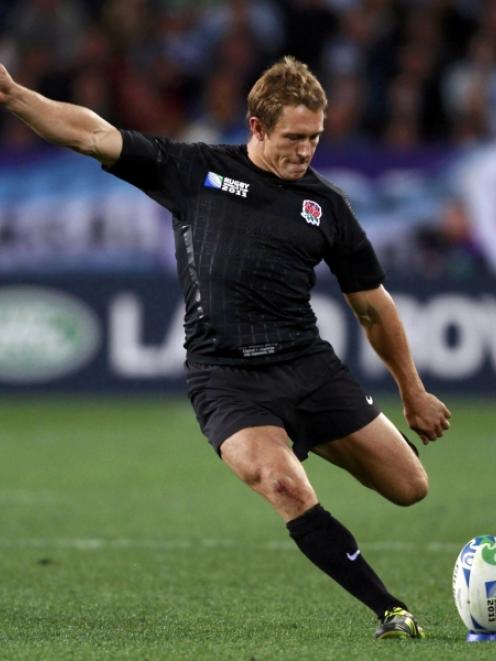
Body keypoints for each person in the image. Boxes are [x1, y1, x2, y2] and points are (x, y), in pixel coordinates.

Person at [0, 56, 451, 639]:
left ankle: (315, 436)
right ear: (258, 127)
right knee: (283, 485)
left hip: (307, 367)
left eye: (315, 137)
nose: (306, 150)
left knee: (410, 488)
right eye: (294, 137)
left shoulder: (327, 206)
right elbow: (91, 133)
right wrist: (13, 96)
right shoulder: (198, 171)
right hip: (226, 378)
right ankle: (389, 609)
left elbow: (373, 305)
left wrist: (412, 392)